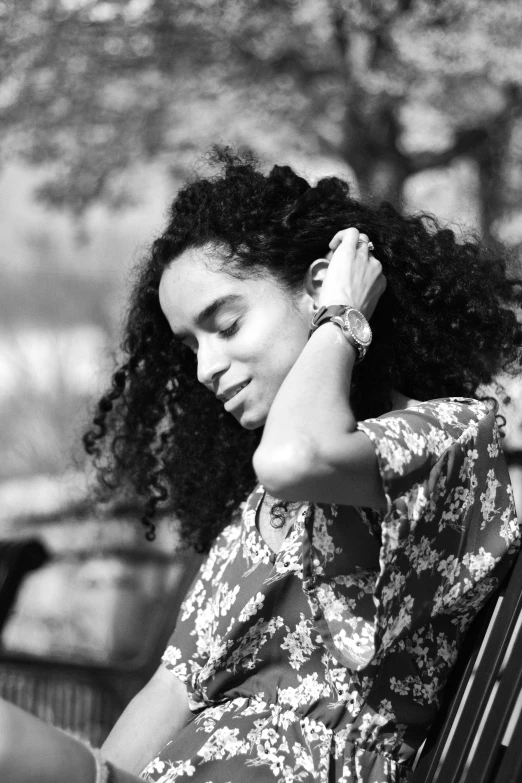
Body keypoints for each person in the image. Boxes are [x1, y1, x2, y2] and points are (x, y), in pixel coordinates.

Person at [0, 146, 521, 783]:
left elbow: (295, 455)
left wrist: (343, 319)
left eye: (226, 324)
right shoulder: (261, 510)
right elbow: (172, 690)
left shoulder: (446, 434)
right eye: (190, 345)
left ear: (319, 286)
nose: (204, 367)